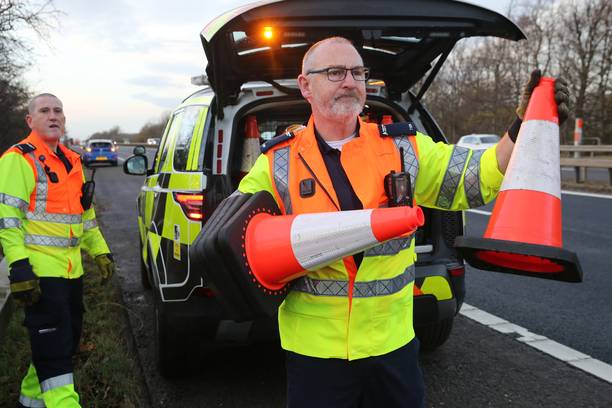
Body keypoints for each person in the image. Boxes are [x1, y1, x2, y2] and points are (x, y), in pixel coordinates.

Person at [238, 37, 569, 408]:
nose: (349, 82)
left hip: (391, 345)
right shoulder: (277, 162)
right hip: (315, 352)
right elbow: (240, 237)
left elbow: (476, 176)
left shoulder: (403, 148)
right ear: (305, 85)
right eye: (334, 72)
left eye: (358, 72)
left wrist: (525, 123)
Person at [0, 93, 115, 407]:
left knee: (63, 344)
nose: (52, 116)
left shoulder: (71, 160)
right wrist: (19, 266)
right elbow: (8, 220)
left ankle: (29, 402)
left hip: (71, 271)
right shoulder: (18, 159)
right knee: (55, 353)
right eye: (44, 110)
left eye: (58, 111)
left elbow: (84, 216)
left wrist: (99, 251)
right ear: (30, 120)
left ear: (64, 119)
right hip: (39, 273)